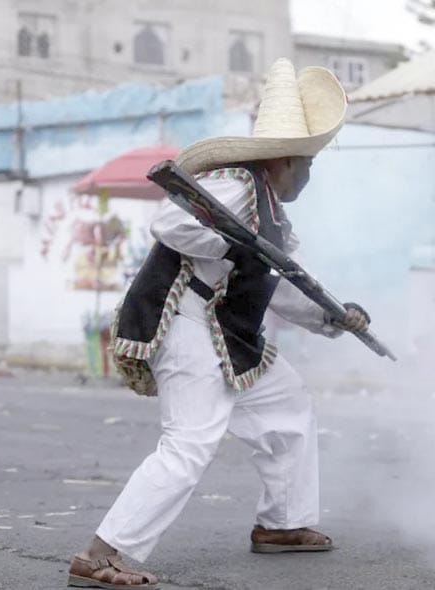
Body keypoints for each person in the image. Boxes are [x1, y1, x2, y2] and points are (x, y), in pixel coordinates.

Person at [67, 58, 369, 589]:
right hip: (185, 321)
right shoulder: (235, 184)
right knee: (189, 442)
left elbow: (283, 283)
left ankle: (281, 523)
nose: (309, 176)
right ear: (285, 161)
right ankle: (101, 554)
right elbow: (170, 223)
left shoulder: (272, 212)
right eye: (308, 165)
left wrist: (333, 315)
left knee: (288, 404)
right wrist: (233, 245)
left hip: (227, 333)